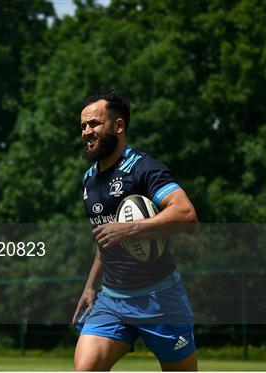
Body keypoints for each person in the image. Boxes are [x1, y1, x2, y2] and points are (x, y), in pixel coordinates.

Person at [73, 90, 198, 371]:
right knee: (85, 369)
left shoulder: (144, 168)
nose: (87, 132)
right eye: (83, 126)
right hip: (112, 299)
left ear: (118, 126)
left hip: (160, 299)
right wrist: (91, 286)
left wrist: (130, 229)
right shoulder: (90, 179)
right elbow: (105, 237)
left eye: (94, 124)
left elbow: (186, 213)